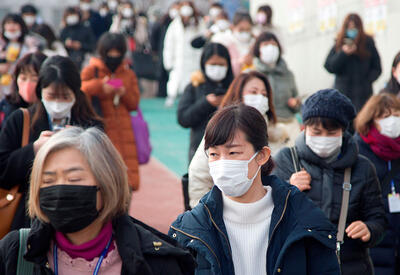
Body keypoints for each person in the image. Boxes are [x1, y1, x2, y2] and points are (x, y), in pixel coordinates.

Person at [170, 104, 340, 274]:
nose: (222, 163)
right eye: (214, 154)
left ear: (262, 156)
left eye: (233, 153)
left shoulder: (304, 219)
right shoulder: (189, 228)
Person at [0, 126, 196, 274]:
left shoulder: (157, 262)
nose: (59, 189)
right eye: (48, 180)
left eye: (74, 179)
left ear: (106, 182)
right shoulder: (15, 252)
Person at [272, 89, 387, 275]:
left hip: (350, 265)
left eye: (331, 132)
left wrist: (370, 229)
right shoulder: (286, 159)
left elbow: (378, 218)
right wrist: (287, 188)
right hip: (299, 264)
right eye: (316, 132)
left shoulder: (362, 167)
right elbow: (266, 214)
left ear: (343, 131)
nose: (323, 138)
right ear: (304, 128)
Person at [0, 55, 102, 235]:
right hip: (29, 217)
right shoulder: (20, 120)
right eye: (52, 96)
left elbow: (106, 173)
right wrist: (33, 150)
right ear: (41, 92)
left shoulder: (91, 125)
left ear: (76, 94)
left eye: (65, 96)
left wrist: (83, 145)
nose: (58, 103)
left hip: (79, 216)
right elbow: (2, 171)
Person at [188, 71, 287, 209]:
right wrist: (204, 213)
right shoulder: (221, 130)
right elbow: (199, 175)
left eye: (264, 95)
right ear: (238, 93)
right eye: (253, 92)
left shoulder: (279, 134)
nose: (259, 98)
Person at [81, 32, 141, 190]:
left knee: (125, 188)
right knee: (101, 186)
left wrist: (123, 93)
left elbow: (134, 104)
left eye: (118, 53)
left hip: (124, 133)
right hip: (100, 131)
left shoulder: (128, 73)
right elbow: (80, 91)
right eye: (110, 53)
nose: (114, 56)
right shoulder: (91, 70)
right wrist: (101, 86)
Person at [354, 93, 400, 275]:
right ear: (371, 119)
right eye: (385, 116)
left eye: (396, 115)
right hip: (373, 236)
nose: (392, 121)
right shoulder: (358, 151)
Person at [178, 42, 234, 162]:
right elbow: (183, 118)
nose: (217, 68)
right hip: (200, 150)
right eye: (213, 64)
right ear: (204, 64)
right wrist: (206, 103)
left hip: (231, 152)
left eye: (221, 64)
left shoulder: (235, 87)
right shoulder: (195, 86)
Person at [324, 13, 381, 112]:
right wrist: (343, 54)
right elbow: (329, 66)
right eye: (349, 27)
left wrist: (367, 81)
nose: (352, 30)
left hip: (363, 95)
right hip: (343, 94)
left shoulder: (368, 43)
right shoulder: (339, 43)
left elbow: (377, 67)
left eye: (354, 27)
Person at [252, 31, 301, 145]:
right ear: (258, 49)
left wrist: (295, 103)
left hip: (289, 123)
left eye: (273, 45)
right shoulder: (252, 74)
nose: (270, 48)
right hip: (264, 126)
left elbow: (297, 101)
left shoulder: (288, 74)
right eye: (265, 45)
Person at [163, 1, 205, 107]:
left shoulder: (198, 22)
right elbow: (169, 44)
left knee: (194, 80)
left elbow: (203, 40)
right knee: (175, 80)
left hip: (195, 59)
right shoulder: (175, 24)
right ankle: (171, 97)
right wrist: (168, 61)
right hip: (179, 59)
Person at [0, 52, 46, 128]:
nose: (28, 84)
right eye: (23, 78)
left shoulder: (51, 110)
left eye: (34, 79)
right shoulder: (7, 106)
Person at [0, 13, 38, 99]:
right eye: (8, 23)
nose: (11, 27)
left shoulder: (29, 44)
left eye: (14, 23)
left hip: (20, 83)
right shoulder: (2, 45)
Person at [150, 1, 179, 97]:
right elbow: (154, 37)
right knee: (162, 75)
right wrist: (155, 51)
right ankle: (161, 94)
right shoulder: (162, 23)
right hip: (162, 52)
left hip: (177, 55)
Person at [212, 11, 254, 76]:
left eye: (248, 29)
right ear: (233, 27)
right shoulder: (223, 40)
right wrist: (239, 62)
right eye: (241, 29)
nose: (245, 33)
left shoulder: (253, 42)